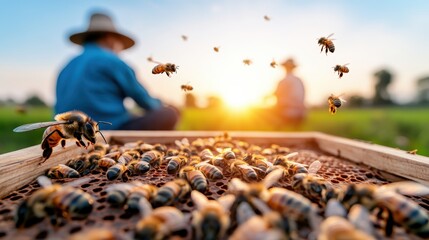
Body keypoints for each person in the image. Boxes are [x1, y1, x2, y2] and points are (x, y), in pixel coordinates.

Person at [55, 12, 179, 130]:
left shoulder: (66, 66)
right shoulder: (112, 61)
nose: (120, 49)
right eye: (119, 43)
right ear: (109, 38)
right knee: (170, 113)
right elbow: (144, 101)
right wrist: (163, 104)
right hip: (108, 129)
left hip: (71, 133)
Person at [274, 58, 307, 126]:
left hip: (285, 113)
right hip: (301, 114)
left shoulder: (283, 81)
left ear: (285, 67)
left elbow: (277, 94)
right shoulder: (299, 81)